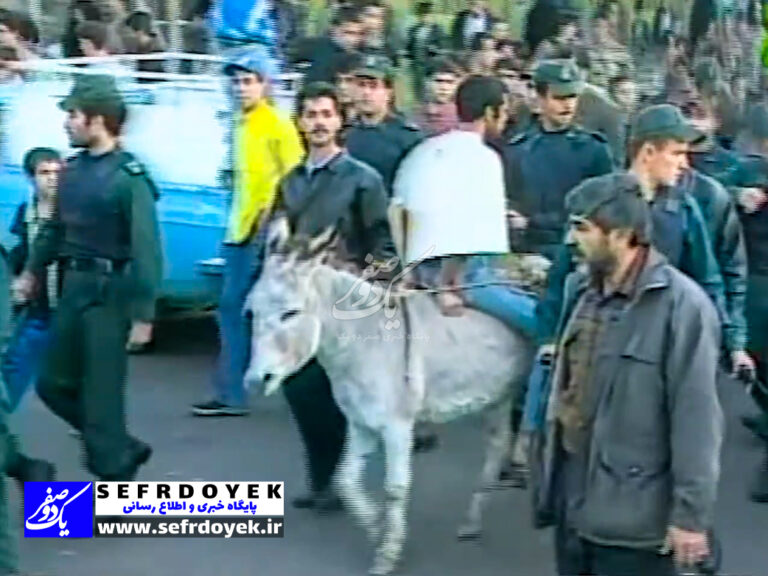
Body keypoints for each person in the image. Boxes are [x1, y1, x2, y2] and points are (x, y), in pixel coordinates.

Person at [531, 172, 723, 576]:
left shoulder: (683, 308)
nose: (571, 241)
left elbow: (697, 421)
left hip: (634, 528)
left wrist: (690, 519)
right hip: (573, 510)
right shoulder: (579, 291)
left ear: (621, 235)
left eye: (582, 228)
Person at [13, 74, 161, 481]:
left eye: (73, 114)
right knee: (51, 384)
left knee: (101, 401)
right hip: (74, 289)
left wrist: (144, 314)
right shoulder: (73, 171)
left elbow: (147, 249)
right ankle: (119, 445)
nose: (67, 122)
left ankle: (114, 476)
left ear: (97, 120)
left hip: (109, 295)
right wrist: (31, 271)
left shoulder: (129, 178)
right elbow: (54, 230)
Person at [271, 81, 396, 510]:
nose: (319, 123)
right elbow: (277, 242)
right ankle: (323, 479)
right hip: (299, 303)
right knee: (300, 389)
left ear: (341, 120)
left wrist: (371, 286)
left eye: (326, 114)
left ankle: (341, 481)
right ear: (300, 123)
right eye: (311, 115)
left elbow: (383, 244)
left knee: (339, 396)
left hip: (343, 305)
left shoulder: (363, 180)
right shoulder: (289, 182)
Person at [192, 48, 303, 417]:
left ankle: (233, 392)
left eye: (248, 81)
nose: (241, 88)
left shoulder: (277, 124)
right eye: (237, 82)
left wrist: (271, 217)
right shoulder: (241, 123)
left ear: (265, 84)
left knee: (240, 309)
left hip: (261, 232)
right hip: (239, 229)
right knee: (237, 310)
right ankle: (233, 390)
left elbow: (294, 179)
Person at [503, 59, 614, 261]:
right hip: (527, 252)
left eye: (572, 96)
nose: (568, 105)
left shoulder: (593, 149)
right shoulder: (518, 149)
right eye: (559, 97)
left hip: (575, 252)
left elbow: (601, 209)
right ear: (540, 98)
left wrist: (534, 222)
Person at [3, 148, 61, 414]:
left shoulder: (74, 213)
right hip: (39, 304)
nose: (52, 179)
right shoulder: (27, 211)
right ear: (31, 177)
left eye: (57, 173)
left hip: (69, 303)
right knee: (16, 362)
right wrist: (17, 279)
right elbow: (21, 249)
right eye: (44, 173)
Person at [345, 55, 424, 195]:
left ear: (388, 92)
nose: (366, 93)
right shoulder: (342, 134)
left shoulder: (408, 138)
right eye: (361, 85)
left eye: (373, 86)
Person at [288, 6, 364, 85]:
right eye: (348, 32)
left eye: (359, 34)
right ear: (334, 29)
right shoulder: (308, 45)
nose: (353, 39)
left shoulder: (357, 59)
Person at [413, 57, 461, 137]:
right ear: (427, 82)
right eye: (439, 81)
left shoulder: (462, 116)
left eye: (450, 82)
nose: (444, 87)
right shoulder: (412, 116)